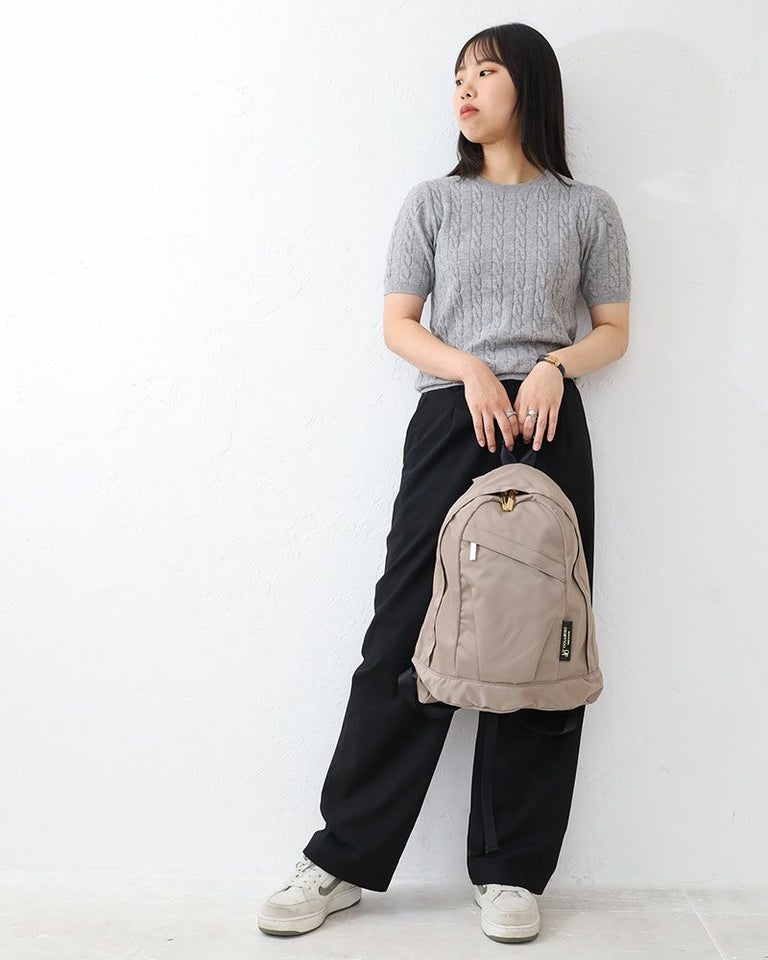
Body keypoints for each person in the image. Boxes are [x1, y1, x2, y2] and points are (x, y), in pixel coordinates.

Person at [258, 22, 631, 944]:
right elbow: (399, 324)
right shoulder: (432, 202)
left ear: (529, 86)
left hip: (547, 430)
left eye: (486, 71)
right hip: (449, 424)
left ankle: (511, 872)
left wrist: (553, 367)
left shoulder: (588, 210)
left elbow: (614, 330)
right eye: (457, 75)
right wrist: (468, 369)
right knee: (404, 632)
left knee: (537, 639)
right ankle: (343, 859)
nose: (464, 88)